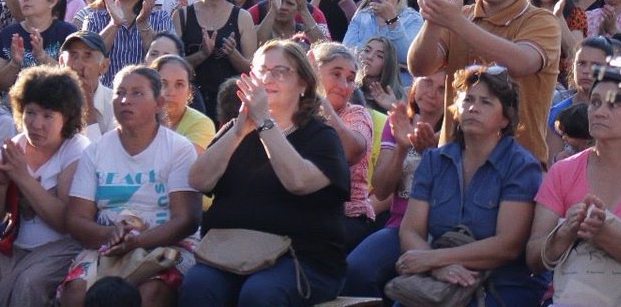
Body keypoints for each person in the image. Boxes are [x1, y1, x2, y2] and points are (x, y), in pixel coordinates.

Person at [182, 40, 351, 307]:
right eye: (262, 71)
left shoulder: (321, 137)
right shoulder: (235, 131)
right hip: (230, 252)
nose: (268, 78)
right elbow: (198, 179)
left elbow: (297, 181)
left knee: (260, 293)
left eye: (280, 71)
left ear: (304, 84)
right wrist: (238, 130)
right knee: (198, 286)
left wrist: (264, 123)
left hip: (299, 257)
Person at [392, 65, 544, 307]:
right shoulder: (434, 160)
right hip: (440, 278)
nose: (473, 108)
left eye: (486, 102)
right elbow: (410, 231)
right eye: (468, 100)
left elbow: (507, 246)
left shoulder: (521, 166)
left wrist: (433, 260)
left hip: (501, 281)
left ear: (506, 118)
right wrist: (438, 268)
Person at [408, 0, 561, 166]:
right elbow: (420, 67)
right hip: (453, 163)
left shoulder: (541, 20)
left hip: (516, 169)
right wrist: (433, 20)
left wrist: (455, 21)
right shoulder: (459, 15)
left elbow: (521, 63)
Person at [528, 79, 621, 307]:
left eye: (612, 105)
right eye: (595, 102)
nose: (599, 112)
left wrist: (603, 233)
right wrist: (565, 232)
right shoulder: (562, 171)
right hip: (568, 297)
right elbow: (533, 258)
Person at [60, 65, 201, 307]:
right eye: (119, 92)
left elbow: (186, 219)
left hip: (166, 244)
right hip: (107, 244)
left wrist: (137, 241)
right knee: (76, 292)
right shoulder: (96, 151)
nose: (125, 100)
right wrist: (110, 236)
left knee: (152, 292)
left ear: (158, 103)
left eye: (137, 93)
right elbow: (76, 219)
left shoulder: (178, 148)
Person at [0, 66, 91, 307]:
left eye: (48, 116)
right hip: (16, 245)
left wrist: (22, 177)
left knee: (28, 284)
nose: (36, 124)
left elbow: (67, 222)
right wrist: (0, 187)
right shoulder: (16, 145)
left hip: (62, 248)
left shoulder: (76, 149)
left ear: (67, 118)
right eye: (30, 113)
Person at [342, 69, 449, 297]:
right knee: (356, 269)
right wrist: (402, 148)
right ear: (415, 83)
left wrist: (429, 152)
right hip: (398, 226)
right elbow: (381, 190)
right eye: (427, 82)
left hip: (443, 230)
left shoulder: (457, 131)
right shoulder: (399, 122)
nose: (432, 93)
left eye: (442, 88)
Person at [175, 0, 257, 124]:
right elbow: (173, 65)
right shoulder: (182, 15)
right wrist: (202, 54)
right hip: (191, 102)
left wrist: (233, 53)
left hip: (230, 105)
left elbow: (252, 69)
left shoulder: (242, 17)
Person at [309, 42, 375, 251]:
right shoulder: (296, 112)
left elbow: (350, 151)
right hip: (304, 212)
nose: (344, 85)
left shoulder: (356, 114)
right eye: (335, 74)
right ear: (315, 73)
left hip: (348, 215)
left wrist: (319, 99)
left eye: (350, 79)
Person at [75, 0, 170, 87]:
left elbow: (166, 60)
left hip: (148, 97)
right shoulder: (93, 19)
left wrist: (143, 25)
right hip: (106, 98)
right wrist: (114, 24)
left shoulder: (160, 18)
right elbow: (88, 58)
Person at [0, 0, 78, 90]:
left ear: (52, 1)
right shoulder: (8, 34)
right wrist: (14, 63)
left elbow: (74, 78)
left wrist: (42, 57)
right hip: (12, 105)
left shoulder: (68, 33)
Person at [342, 0, 424, 78]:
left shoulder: (413, 18)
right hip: (362, 82)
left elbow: (407, 57)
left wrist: (392, 20)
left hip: (398, 86)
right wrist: (389, 61)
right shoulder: (361, 17)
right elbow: (346, 52)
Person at [546, 35, 612, 162]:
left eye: (595, 65)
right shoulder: (557, 111)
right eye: (581, 63)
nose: (586, 71)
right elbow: (550, 166)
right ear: (573, 66)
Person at [151, 54, 215, 151]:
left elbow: (184, 162)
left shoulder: (201, 124)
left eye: (179, 85)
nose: (170, 93)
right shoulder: (136, 118)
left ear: (189, 91)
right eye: (163, 84)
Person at [58, 31, 115, 139]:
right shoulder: (47, 99)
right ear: (61, 62)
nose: (77, 65)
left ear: (103, 66)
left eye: (88, 55)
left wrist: (88, 107)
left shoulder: (115, 105)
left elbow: (100, 155)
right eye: (72, 55)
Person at [354, 35, 406, 113]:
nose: (369, 57)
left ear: (388, 65)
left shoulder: (400, 97)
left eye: (379, 56)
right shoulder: (349, 87)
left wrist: (393, 108)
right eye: (367, 50)